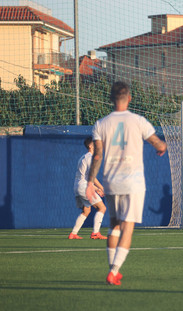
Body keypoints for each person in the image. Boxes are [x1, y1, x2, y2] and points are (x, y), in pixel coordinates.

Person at [86, 81, 167, 286]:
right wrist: (162, 146)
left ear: (111, 99)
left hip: (111, 182)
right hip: (133, 183)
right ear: (129, 98)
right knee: (127, 227)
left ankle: (113, 269)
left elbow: (97, 156)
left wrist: (89, 183)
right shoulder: (138, 121)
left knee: (114, 226)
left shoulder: (101, 124)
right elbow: (156, 142)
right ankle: (114, 270)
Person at [69, 136, 107, 240]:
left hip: (77, 186)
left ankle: (73, 234)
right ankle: (95, 233)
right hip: (83, 186)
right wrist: (100, 188)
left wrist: (96, 188)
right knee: (102, 208)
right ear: (90, 146)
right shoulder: (90, 158)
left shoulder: (83, 157)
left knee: (86, 210)